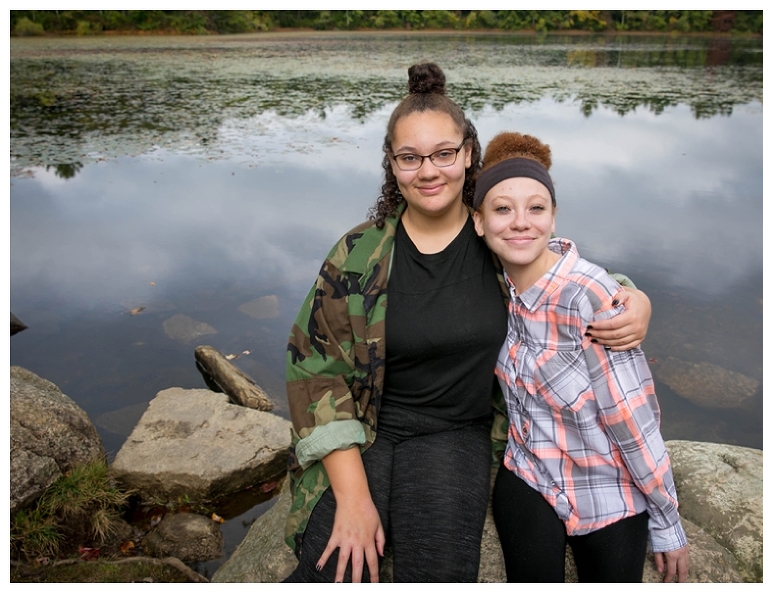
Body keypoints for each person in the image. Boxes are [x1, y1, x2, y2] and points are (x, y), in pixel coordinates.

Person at [282, 63, 653, 583]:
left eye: (443, 154)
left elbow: (567, 279)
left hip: (454, 435)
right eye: (410, 158)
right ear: (392, 164)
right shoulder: (359, 254)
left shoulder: (498, 240)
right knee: (332, 567)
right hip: (364, 430)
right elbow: (316, 370)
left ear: (468, 154)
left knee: (437, 571)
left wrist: (632, 298)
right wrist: (353, 499)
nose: (428, 171)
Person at [472, 131, 689, 583]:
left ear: (553, 219)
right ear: (478, 222)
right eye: (501, 209)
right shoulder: (496, 286)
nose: (519, 222)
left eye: (536, 208)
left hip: (603, 486)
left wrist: (667, 520)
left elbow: (634, 420)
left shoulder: (591, 300)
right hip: (528, 472)